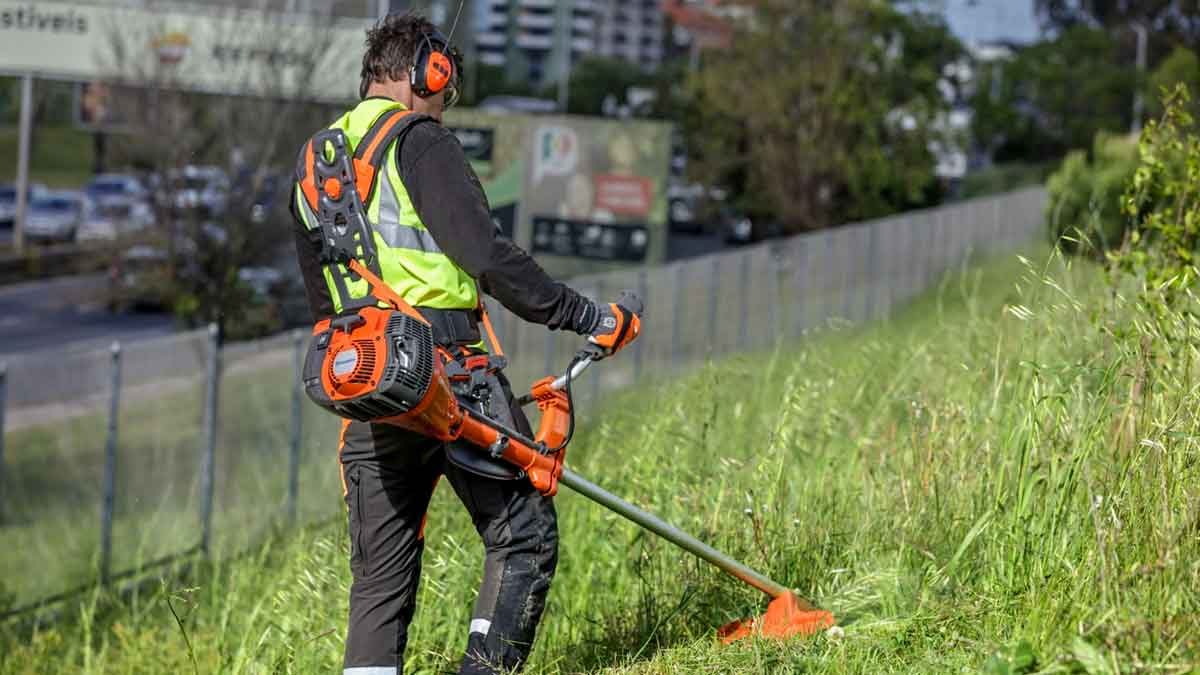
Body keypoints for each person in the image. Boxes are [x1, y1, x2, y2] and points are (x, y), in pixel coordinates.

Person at [289, 12, 642, 675]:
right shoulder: (419, 141)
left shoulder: (315, 160)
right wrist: (584, 314)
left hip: (366, 385)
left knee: (379, 581)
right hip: (451, 375)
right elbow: (484, 252)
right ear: (427, 72)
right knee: (523, 535)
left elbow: (323, 306)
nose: (445, 111)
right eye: (444, 96)